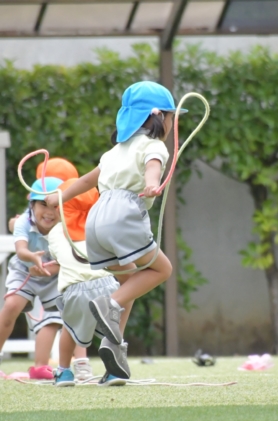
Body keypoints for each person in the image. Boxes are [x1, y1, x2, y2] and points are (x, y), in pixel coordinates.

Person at [46, 81, 177, 375]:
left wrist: (58, 197)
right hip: (124, 214)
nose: (172, 123)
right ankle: (109, 304)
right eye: (170, 116)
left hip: (98, 218)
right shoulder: (153, 146)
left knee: (128, 280)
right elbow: (153, 165)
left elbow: (83, 182)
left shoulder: (114, 152)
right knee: (161, 270)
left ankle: (113, 350)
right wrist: (152, 183)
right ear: (158, 117)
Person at [48, 179, 126, 387]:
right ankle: (114, 371)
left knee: (69, 329)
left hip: (75, 290)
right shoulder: (101, 227)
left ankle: (64, 372)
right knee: (112, 330)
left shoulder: (55, 232)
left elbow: (60, 257)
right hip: (108, 284)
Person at [0, 177, 64, 379]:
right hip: (24, 269)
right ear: (32, 205)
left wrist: (49, 269)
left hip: (53, 275)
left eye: (56, 206)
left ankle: (40, 367)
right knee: (11, 306)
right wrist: (33, 259)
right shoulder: (23, 221)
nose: (49, 211)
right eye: (43, 204)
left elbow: (66, 260)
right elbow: (21, 251)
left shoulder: (67, 227)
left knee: (53, 318)